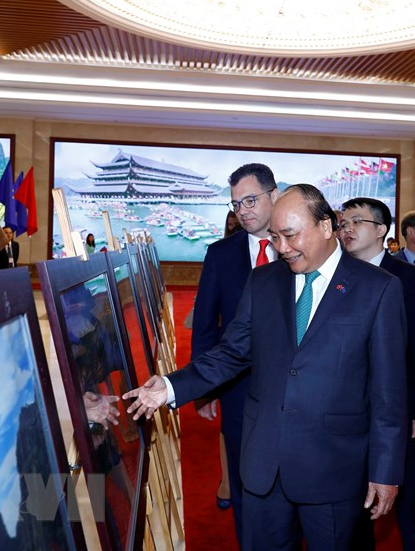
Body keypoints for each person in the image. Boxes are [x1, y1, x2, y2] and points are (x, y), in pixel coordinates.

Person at [124, 184, 408, 551]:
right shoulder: (263, 281)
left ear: (326, 226)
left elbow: (389, 392)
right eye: (275, 236)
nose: (282, 247)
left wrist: (386, 472)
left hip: (334, 468)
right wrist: (171, 386)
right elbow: (232, 353)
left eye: (290, 235)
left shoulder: (379, 289)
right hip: (264, 464)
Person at [189, 163, 280, 543]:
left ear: (274, 196)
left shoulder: (305, 247)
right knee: (245, 478)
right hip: (238, 386)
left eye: (250, 200)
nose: (242, 210)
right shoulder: (220, 254)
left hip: (298, 386)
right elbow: (206, 323)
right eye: (235, 204)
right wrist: (204, 386)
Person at [341, 196, 415, 550]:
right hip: (350, 409)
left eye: (356, 222)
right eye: (343, 222)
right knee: (354, 500)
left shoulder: (408, 279)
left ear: (381, 230)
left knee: (407, 493)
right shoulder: (338, 275)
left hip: (399, 408)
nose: (346, 229)